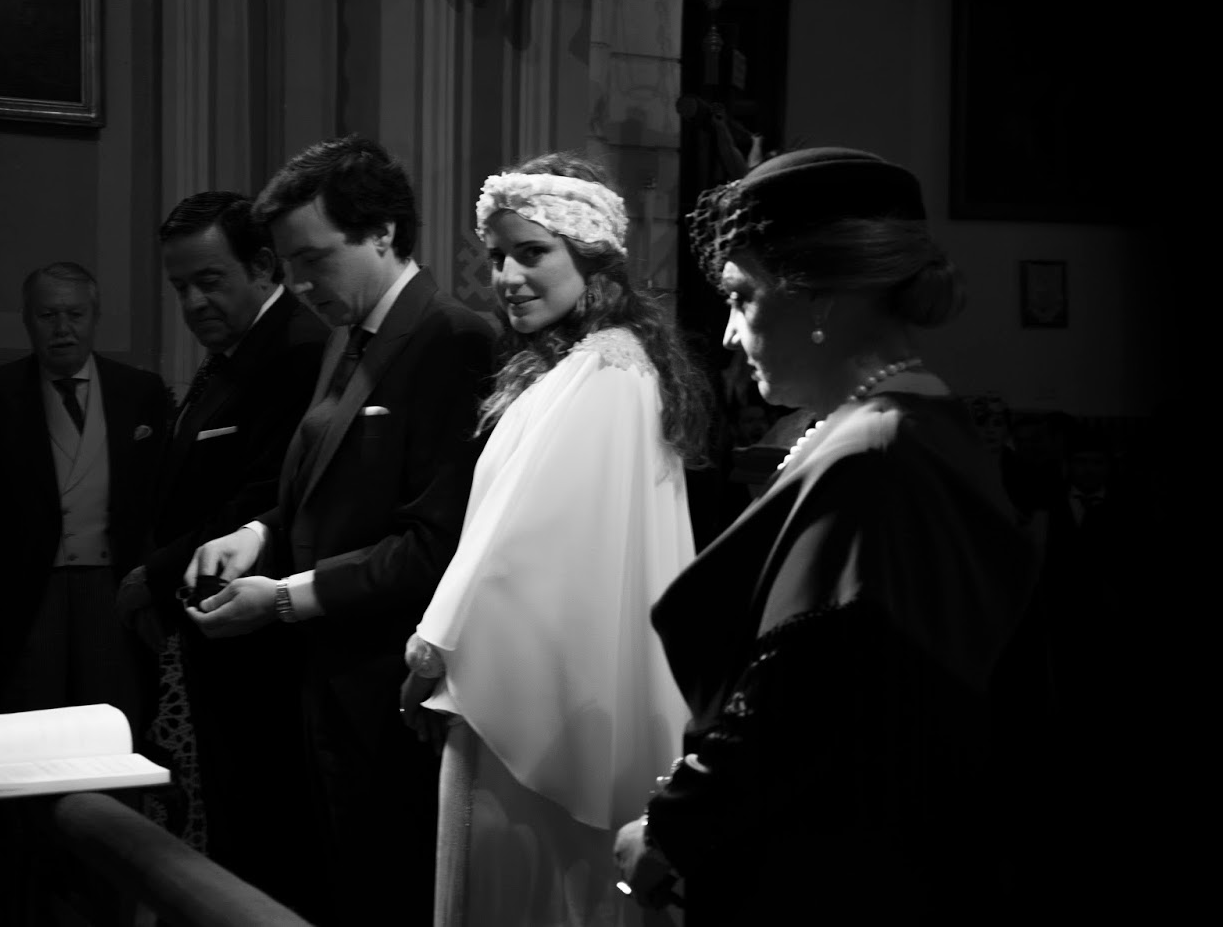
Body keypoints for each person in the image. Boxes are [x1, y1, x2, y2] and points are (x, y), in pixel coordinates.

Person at [613, 148, 1041, 923]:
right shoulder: (907, 427)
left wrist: (675, 826)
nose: (729, 335)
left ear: (822, 300)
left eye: (742, 298)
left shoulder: (877, 452)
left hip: (825, 872)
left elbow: (801, 695)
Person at [183, 135, 497, 927]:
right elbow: (323, 492)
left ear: (383, 233)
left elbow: (436, 546)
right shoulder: (346, 332)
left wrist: (285, 598)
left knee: (389, 895)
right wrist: (258, 534)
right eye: (287, 264)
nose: (296, 284)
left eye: (312, 260)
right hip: (327, 683)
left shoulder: (453, 338)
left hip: (393, 690)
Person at [402, 153, 709, 926]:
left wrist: (432, 648)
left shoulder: (605, 373)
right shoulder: (587, 366)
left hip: (541, 698)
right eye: (497, 256)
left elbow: (521, 543)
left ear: (593, 258)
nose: (507, 276)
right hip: (541, 685)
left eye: (532, 253)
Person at [115, 190, 327, 912]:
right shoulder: (232, 353)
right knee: (230, 821)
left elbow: (263, 496)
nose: (193, 302)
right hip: (214, 623)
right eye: (180, 287)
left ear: (263, 266)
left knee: (267, 834)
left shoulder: (297, 350)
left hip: (267, 637)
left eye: (209, 280)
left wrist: (156, 573)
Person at [0, 261, 172, 721]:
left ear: (95, 317)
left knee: (111, 717)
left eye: (75, 314)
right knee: (31, 716)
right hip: (25, 590)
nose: (63, 329)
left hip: (113, 584)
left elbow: (158, 498)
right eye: (48, 315)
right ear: (27, 320)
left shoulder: (140, 391)